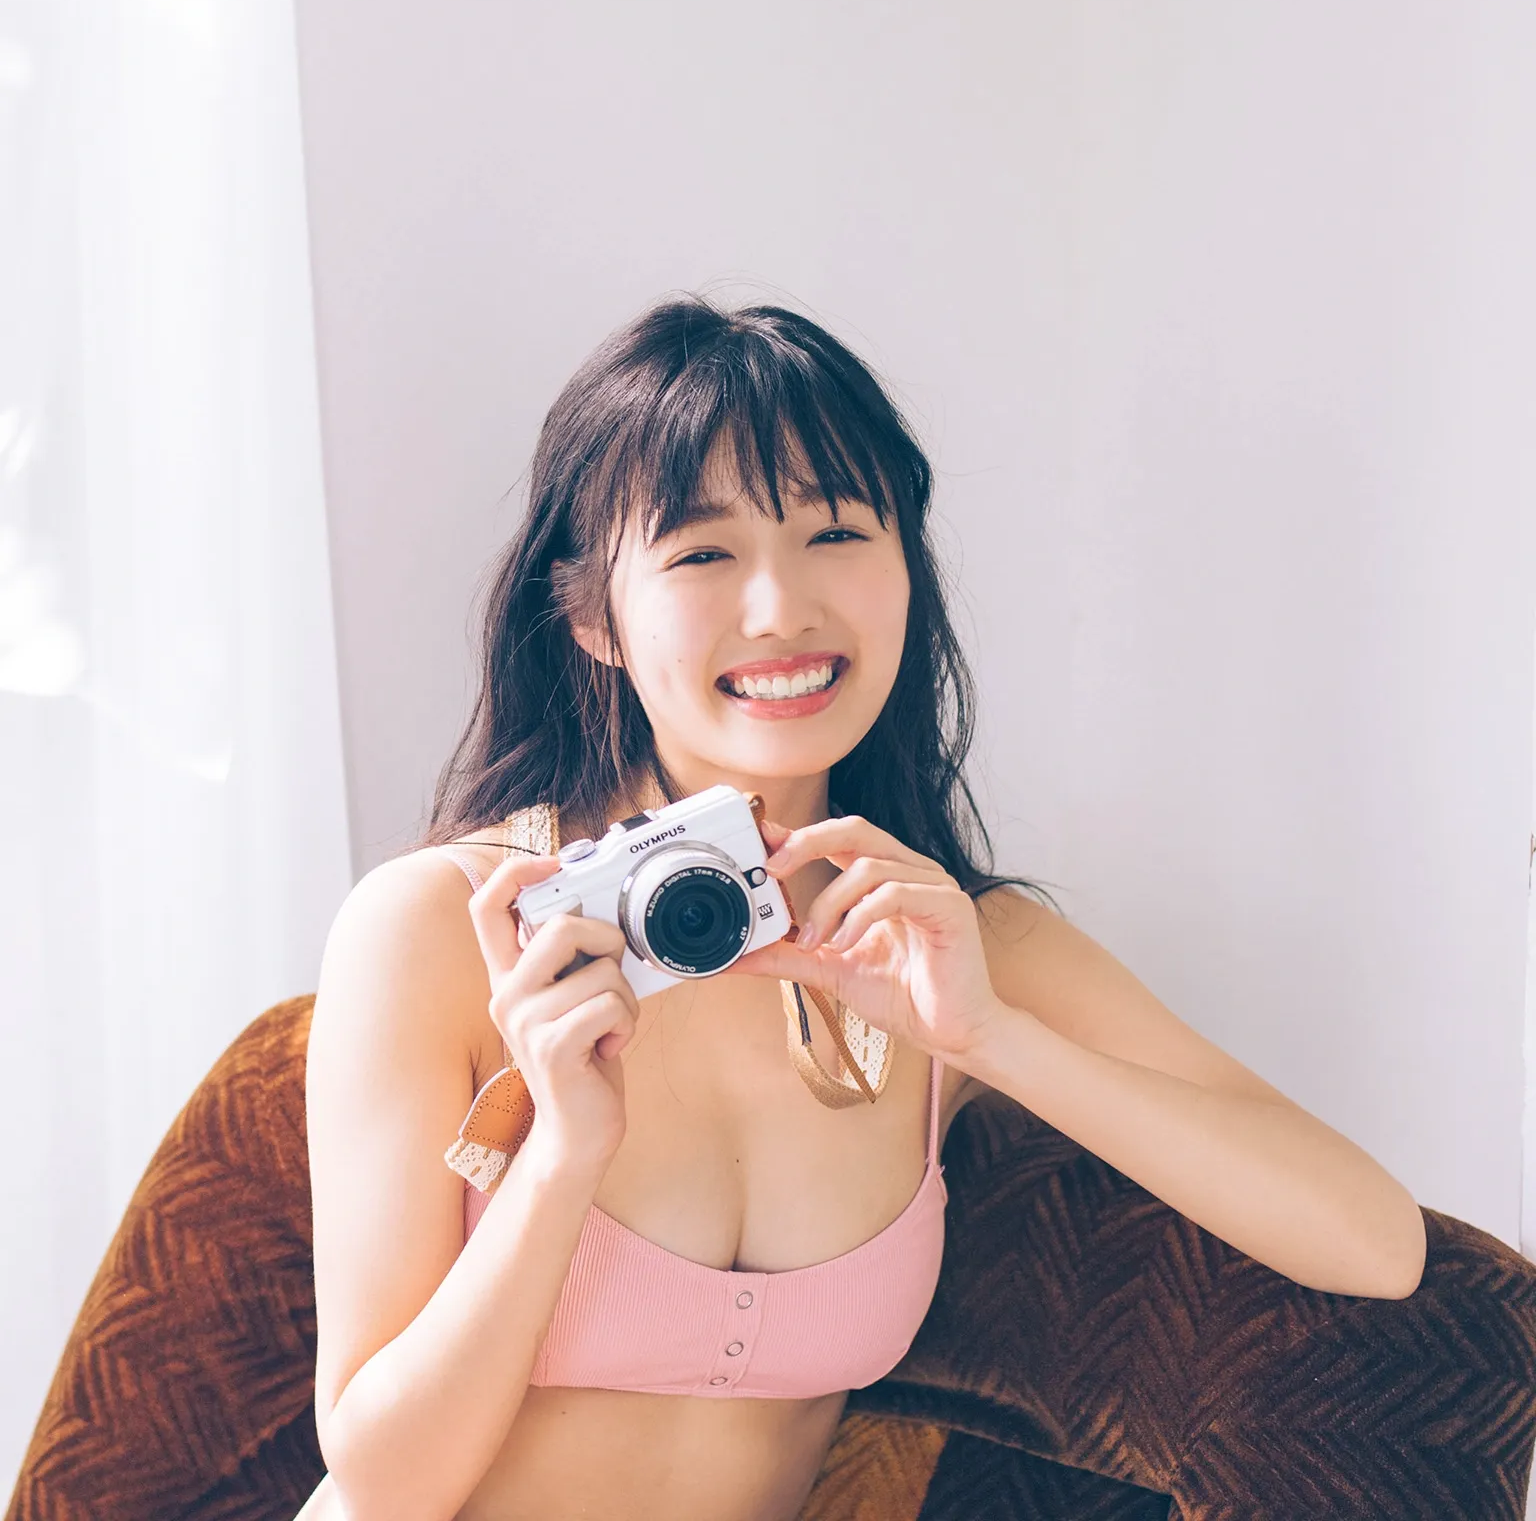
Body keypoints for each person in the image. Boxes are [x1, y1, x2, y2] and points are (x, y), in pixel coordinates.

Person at [299, 296, 1426, 1521]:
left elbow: (1375, 1244)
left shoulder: (950, 944)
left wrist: (992, 1038)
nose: (781, 608)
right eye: (702, 553)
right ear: (590, 618)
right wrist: (561, 1157)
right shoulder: (447, 928)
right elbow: (384, 1483)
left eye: (837, 531)